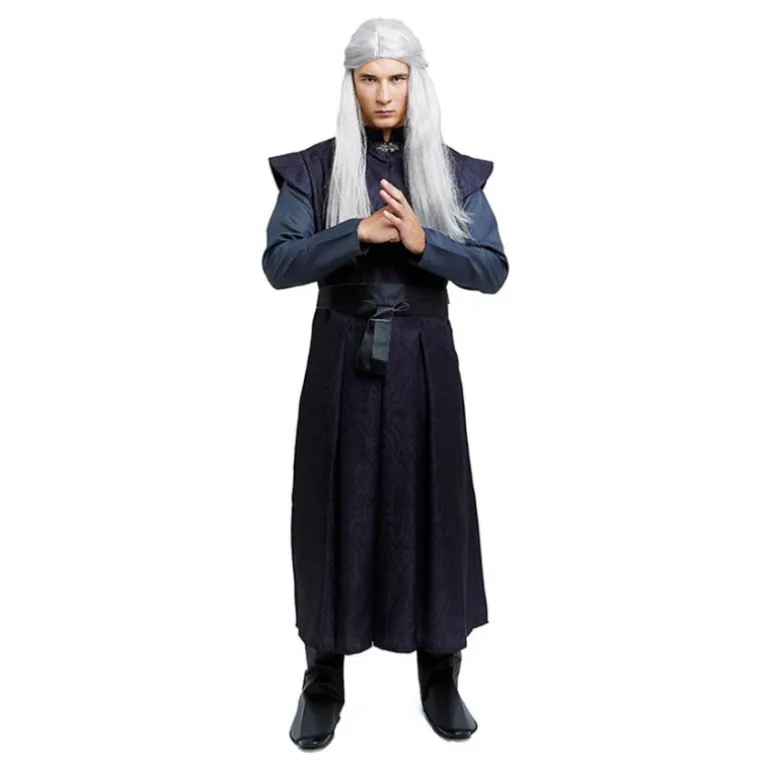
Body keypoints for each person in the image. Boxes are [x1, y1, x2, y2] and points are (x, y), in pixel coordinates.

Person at [262, 18, 508, 750]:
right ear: (352, 86)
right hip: (341, 358)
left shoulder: (453, 172)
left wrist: (424, 243)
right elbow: (279, 262)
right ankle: (322, 679)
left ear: (415, 84)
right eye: (369, 79)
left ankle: (441, 672)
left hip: (425, 363)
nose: (383, 93)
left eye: (396, 78)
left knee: (433, 504)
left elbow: (492, 268)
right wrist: (357, 234)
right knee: (333, 504)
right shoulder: (314, 169)